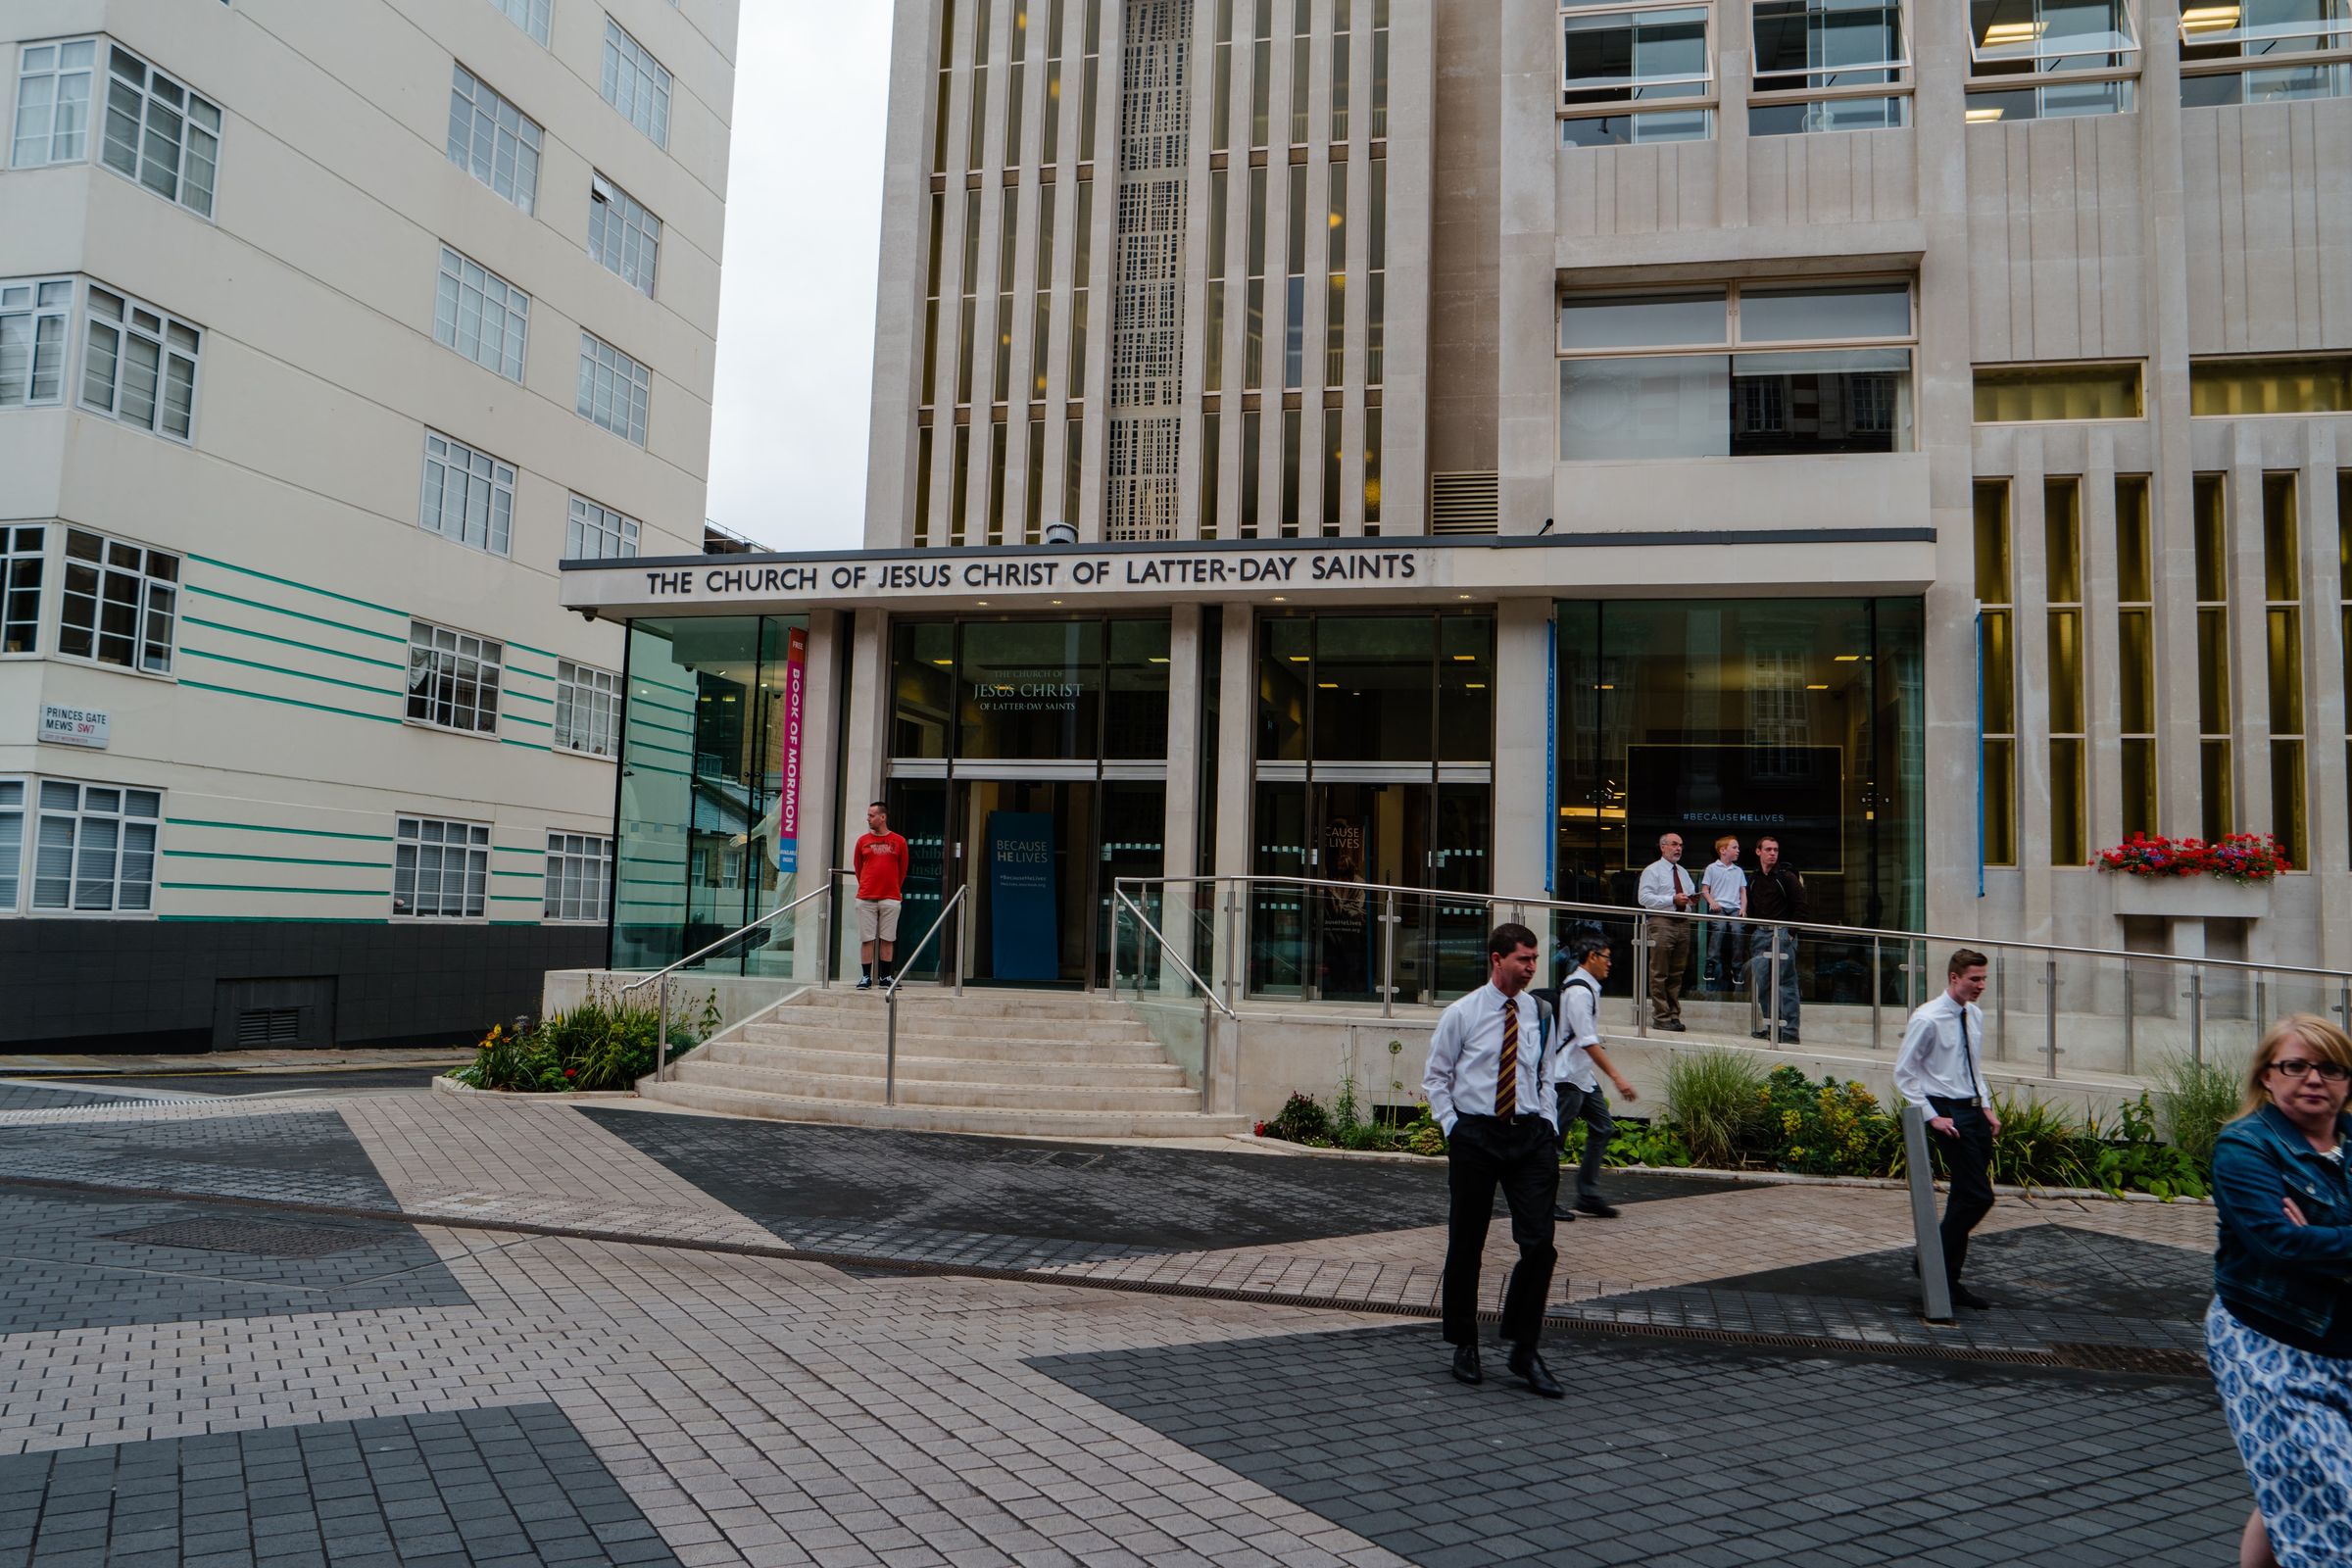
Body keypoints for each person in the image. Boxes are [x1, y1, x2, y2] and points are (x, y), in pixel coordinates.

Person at [2205, 1014, 2352, 1568]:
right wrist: (2303, 1240)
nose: (2314, 1078)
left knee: (2292, 1486)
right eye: (2296, 1065)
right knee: (2331, 1502)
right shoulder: (2245, 1148)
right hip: (2274, 1347)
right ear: (2268, 1076)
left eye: (2331, 1067)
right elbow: (2278, 1246)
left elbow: (2303, 1244)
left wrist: (2316, 1234)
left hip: (2345, 1341)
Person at [1422, 922, 1564, 1397]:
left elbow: (1547, 1073)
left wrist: (1548, 1125)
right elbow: (1435, 1077)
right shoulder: (1462, 1014)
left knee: (1539, 1244)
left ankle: (1524, 1348)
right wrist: (1454, 1128)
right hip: (1476, 1135)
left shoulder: (1541, 1013)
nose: (1531, 968)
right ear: (1497, 959)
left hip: (1529, 1138)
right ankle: (1465, 1342)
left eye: (1534, 959)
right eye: (1523, 959)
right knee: (1467, 1242)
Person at [1892, 949, 2001, 1310]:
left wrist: (1985, 1105)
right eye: (1975, 979)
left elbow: (1974, 1066)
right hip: (1949, 1114)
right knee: (1978, 1196)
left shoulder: (1975, 1015)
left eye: (1984, 978)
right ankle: (1929, 1260)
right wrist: (1931, 1116)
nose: (1981, 985)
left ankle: (1949, 1281)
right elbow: (1904, 1074)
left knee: (1962, 1198)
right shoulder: (1927, 1018)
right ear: (1954, 977)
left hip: (1973, 1111)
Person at [1551, 934, 1640, 1222]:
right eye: (1606, 957)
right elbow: (1587, 1040)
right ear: (1591, 957)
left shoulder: (1590, 987)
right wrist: (1617, 1078)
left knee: (1602, 1127)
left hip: (1581, 1076)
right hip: (1566, 1077)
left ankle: (1587, 1196)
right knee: (1554, 1142)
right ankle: (1544, 1201)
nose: (1610, 964)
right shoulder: (1578, 991)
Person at [1743, 835, 1807, 1044]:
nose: (1772, 853)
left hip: (1782, 933)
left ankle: (1789, 1032)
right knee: (1764, 984)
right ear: (1758, 851)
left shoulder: (1786, 876)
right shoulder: (1753, 878)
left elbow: (1801, 904)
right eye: (1768, 849)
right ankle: (1772, 1027)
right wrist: (1752, 931)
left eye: (1775, 850)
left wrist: (1791, 931)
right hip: (1761, 933)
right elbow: (1751, 907)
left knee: (1785, 983)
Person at [1635, 832, 1697, 1031]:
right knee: (1660, 971)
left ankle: (1673, 1015)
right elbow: (1644, 898)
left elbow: (1686, 899)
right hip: (1662, 922)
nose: (1678, 848)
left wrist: (1690, 902)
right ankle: (1661, 1017)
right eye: (1673, 844)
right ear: (1663, 847)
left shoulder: (1684, 873)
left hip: (1682, 922)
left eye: (1680, 844)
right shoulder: (1652, 871)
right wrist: (1672, 900)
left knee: (1677, 973)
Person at [852, 802, 909, 991]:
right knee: (866, 938)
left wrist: (893, 888)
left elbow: (903, 869)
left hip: (890, 897)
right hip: (866, 896)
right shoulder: (862, 841)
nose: (868, 819)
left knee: (888, 938)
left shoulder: (899, 841)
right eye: (868, 815)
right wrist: (867, 886)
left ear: (882, 817)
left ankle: (885, 976)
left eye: (871, 815)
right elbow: (858, 868)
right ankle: (866, 977)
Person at [1699, 835, 1747, 993]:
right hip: (1718, 907)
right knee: (1719, 928)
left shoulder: (1738, 870)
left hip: (1734, 908)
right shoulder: (1712, 869)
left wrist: (1743, 908)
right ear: (1723, 850)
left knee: (1738, 930)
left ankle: (1737, 967)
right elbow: (1705, 890)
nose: (1738, 850)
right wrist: (1712, 901)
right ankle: (1711, 962)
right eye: (1734, 847)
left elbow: (1742, 892)